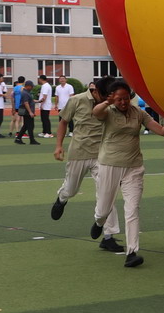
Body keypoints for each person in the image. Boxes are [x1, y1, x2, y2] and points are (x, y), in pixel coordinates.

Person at [90, 79, 164, 268]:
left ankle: (132, 252)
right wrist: (107, 102)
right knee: (104, 207)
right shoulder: (108, 112)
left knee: (132, 209)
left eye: (126, 98)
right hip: (109, 165)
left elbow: (161, 130)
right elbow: (96, 112)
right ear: (112, 99)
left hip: (134, 167)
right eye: (119, 99)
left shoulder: (138, 113)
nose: (123, 102)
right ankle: (99, 221)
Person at [51, 81, 124, 253]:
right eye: (105, 95)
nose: (108, 99)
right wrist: (58, 146)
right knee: (71, 189)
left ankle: (108, 236)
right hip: (79, 152)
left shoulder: (112, 102)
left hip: (102, 155)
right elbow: (63, 122)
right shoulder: (77, 100)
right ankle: (62, 198)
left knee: (107, 194)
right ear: (95, 91)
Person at [14, 80, 41, 145]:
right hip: (27, 112)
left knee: (26, 125)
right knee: (30, 126)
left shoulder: (26, 92)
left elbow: (30, 101)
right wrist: (30, 112)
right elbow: (26, 103)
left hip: (27, 112)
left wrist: (38, 101)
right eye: (31, 86)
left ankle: (18, 138)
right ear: (28, 86)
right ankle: (32, 140)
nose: (32, 88)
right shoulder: (25, 93)